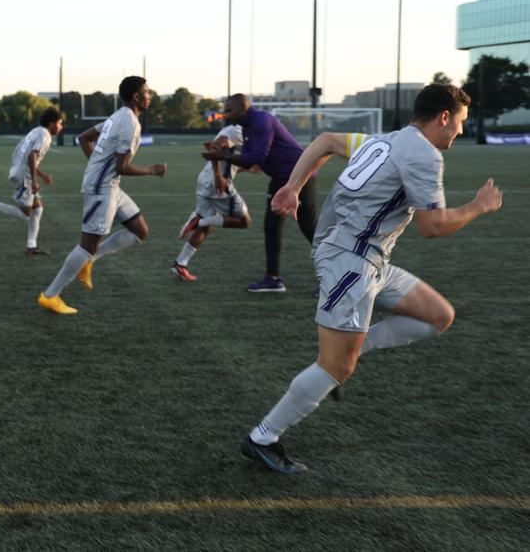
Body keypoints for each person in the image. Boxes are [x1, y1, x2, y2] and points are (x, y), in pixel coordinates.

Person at [240, 84, 503, 474]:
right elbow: (432, 226)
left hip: (369, 260)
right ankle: (263, 437)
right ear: (444, 117)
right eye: (460, 123)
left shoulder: (384, 140)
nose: (460, 132)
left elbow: (326, 140)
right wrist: (478, 207)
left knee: (438, 316)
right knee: (334, 366)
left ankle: (355, 349)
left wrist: (293, 188)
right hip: (350, 261)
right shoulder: (423, 154)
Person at [38, 76, 167, 315]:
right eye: (147, 92)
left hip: (109, 185)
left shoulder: (117, 116)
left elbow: (84, 137)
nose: (150, 96)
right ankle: (50, 295)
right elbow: (121, 167)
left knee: (140, 231)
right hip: (102, 188)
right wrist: (152, 170)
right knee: (87, 244)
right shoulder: (129, 122)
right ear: (136, 97)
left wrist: (97, 164)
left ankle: (90, 260)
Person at [201, 94, 315, 293]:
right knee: (271, 227)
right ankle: (273, 279)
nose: (225, 114)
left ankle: (335, 280)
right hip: (281, 180)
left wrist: (224, 156)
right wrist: (227, 158)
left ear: (243, 107)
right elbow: (252, 159)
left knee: (310, 229)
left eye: (229, 110)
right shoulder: (247, 126)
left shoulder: (261, 120)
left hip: (299, 177)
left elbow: (256, 156)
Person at [0, 107, 64, 255]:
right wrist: (34, 181)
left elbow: (30, 157)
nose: (61, 127)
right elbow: (32, 157)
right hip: (24, 176)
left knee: (37, 209)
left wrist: (42, 176)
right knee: (26, 214)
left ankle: (31, 246)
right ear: (51, 123)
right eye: (60, 123)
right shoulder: (45, 135)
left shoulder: (37, 130)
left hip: (21, 171)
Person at [172, 123, 251, 281]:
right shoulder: (238, 130)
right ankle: (200, 220)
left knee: (206, 228)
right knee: (244, 221)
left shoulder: (236, 131)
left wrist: (247, 168)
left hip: (206, 182)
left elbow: (225, 156)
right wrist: (218, 176)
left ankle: (180, 264)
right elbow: (216, 147)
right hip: (217, 185)